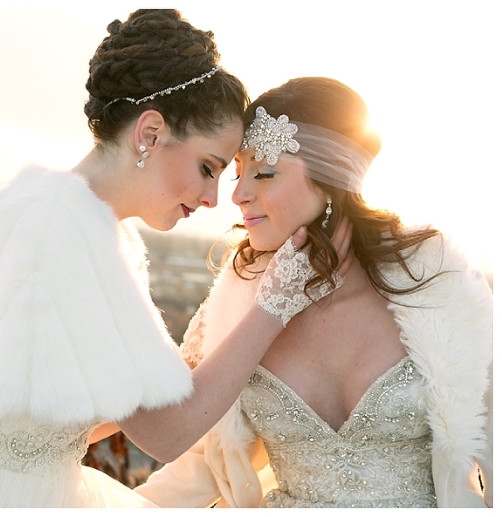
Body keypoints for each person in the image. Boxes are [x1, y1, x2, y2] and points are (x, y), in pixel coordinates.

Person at [0, 13, 349, 508]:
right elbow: (166, 433)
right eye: (208, 167)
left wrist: (181, 364)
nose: (211, 198)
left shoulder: (54, 210)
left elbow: (43, 416)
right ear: (149, 133)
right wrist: (273, 305)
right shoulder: (70, 229)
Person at [134, 76, 493, 508]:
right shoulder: (239, 299)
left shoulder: (439, 289)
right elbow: (196, 450)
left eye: (264, 173)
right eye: (239, 173)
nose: (239, 194)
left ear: (331, 179)